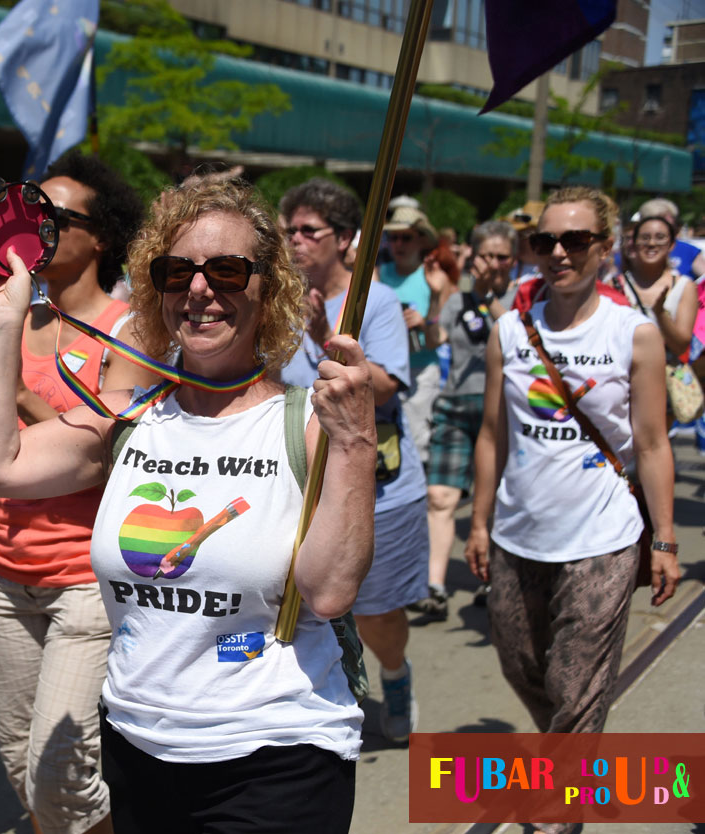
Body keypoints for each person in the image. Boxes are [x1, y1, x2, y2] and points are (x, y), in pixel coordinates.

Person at [0, 177, 374, 833]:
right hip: (138, 749)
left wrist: (353, 442)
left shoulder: (306, 425)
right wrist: (4, 322)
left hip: (276, 754)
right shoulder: (130, 419)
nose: (199, 289)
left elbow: (328, 593)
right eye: (176, 272)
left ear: (268, 287)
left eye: (227, 270)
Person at [0, 152, 151, 834]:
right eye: (27, 211)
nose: (34, 225)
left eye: (55, 216)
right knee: (22, 766)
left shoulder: (129, 329)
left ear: (101, 237)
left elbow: (113, 460)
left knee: (62, 771)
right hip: (2, 577)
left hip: (84, 584)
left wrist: (17, 392)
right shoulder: (8, 319)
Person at [465, 188, 680, 834]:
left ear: (604, 248)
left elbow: (651, 444)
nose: (558, 253)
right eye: (545, 241)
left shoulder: (633, 334)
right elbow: (491, 434)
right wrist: (479, 523)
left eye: (576, 240)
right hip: (518, 535)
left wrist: (664, 540)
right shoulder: (510, 329)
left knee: (578, 681)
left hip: (603, 537)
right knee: (523, 666)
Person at [279, 178, 428, 743]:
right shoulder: (279, 300)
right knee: (311, 606)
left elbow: (385, 388)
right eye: (289, 230)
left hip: (378, 488)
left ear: (344, 239)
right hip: (301, 485)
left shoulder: (377, 302)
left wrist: (324, 336)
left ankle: (395, 673)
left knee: (376, 614)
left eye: (308, 230)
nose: (295, 240)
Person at [418, 222, 519, 619]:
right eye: (486, 255)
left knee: (493, 497)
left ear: (513, 260)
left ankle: (491, 576)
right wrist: (435, 297)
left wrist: (490, 298)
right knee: (440, 496)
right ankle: (435, 586)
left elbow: (517, 339)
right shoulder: (458, 300)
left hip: (502, 409)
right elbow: (434, 339)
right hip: (456, 404)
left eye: (501, 256)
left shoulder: (520, 298)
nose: (493, 263)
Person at [380, 205, 452, 463]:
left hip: (419, 371)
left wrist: (423, 321)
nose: (398, 244)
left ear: (421, 240)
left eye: (406, 237)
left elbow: (437, 340)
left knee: (417, 444)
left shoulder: (434, 278)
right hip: (383, 371)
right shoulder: (379, 274)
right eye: (393, 237)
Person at [615, 214, 698, 363]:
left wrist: (660, 314)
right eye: (645, 238)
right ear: (634, 243)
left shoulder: (685, 286)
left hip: (669, 373)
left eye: (660, 237)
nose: (652, 243)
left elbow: (680, 346)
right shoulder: (616, 284)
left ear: (671, 244)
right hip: (625, 370)